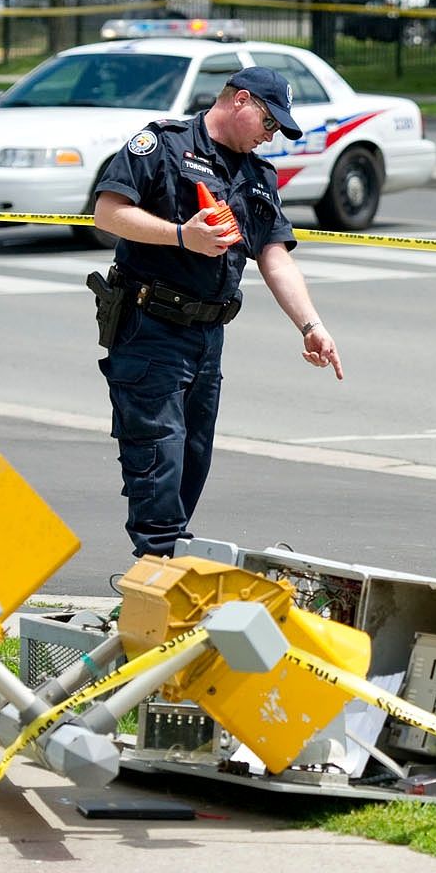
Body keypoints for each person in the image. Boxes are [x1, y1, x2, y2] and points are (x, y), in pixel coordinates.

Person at [90, 66, 343, 558]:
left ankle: (166, 566)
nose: (270, 137)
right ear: (241, 101)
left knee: (191, 460)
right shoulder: (163, 145)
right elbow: (108, 212)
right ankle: (156, 573)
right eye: (269, 124)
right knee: (158, 458)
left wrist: (312, 326)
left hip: (208, 335)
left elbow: (274, 254)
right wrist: (183, 235)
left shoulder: (257, 173)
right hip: (151, 326)